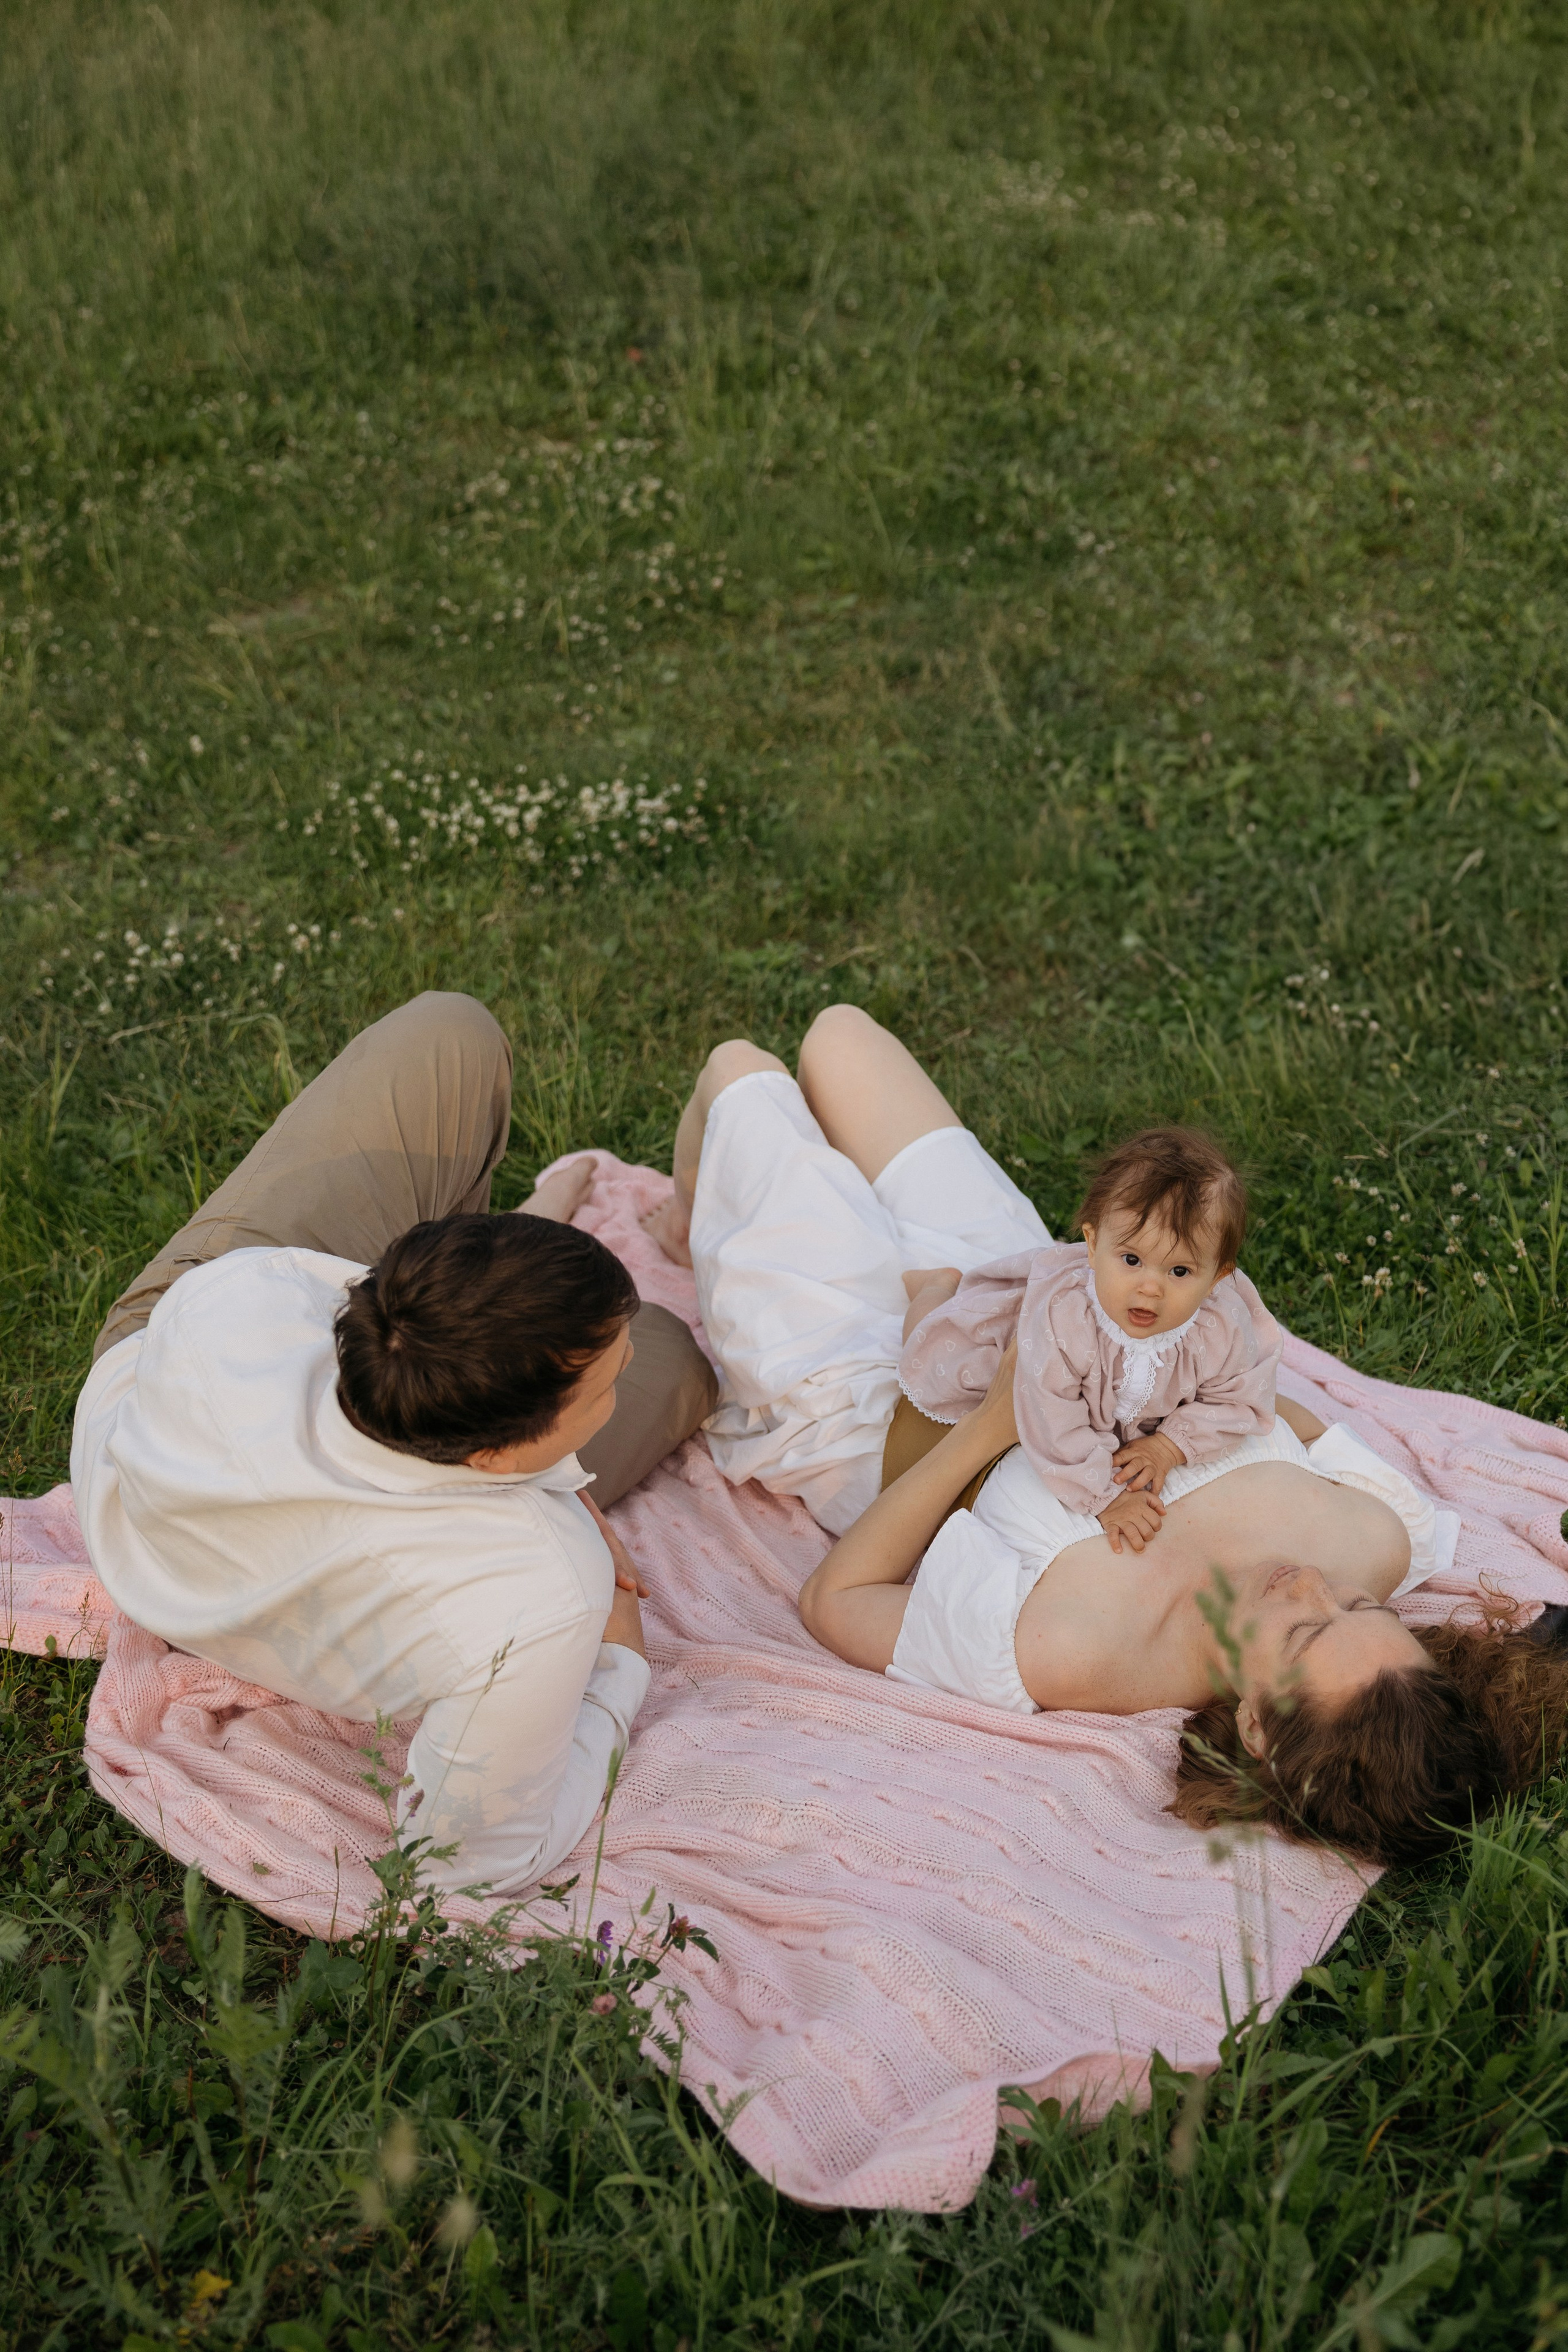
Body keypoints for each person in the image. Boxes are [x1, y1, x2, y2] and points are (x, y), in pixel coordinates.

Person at [643, 1003, 1568, 1867]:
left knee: (740, 1072)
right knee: (838, 1037)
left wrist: (993, 1431)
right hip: (1041, 1291)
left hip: (867, 1397)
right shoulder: (1380, 1537)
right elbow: (1281, 1405)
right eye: (1363, 1611)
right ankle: (728, 1213)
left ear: (1253, 1724)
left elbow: (836, 1598)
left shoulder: (1073, 1654)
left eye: (1305, 1634)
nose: (1313, 1587)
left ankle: (697, 1223)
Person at [71, 992, 717, 1899]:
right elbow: (468, 1864)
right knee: (679, 1357)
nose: (614, 1388)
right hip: (298, 1546)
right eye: (599, 1389)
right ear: (495, 1458)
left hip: (148, 1433)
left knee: (449, 1033)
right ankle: (543, 1281)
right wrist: (621, 1665)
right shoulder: (544, 1597)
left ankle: (520, 1264)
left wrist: (558, 1480)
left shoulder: (241, 1300)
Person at [897, 1125, 1281, 1555]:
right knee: (932, 1340)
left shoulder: (1220, 1326)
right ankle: (934, 1287)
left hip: (1107, 1399)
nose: (1151, 1288)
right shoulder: (1067, 1319)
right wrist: (1106, 1495)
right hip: (1016, 1361)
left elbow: (1241, 1399)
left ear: (1218, 1276)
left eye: (1180, 1272)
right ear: (1094, 1244)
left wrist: (1170, 1446)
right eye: (1132, 1260)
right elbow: (1052, 1415)